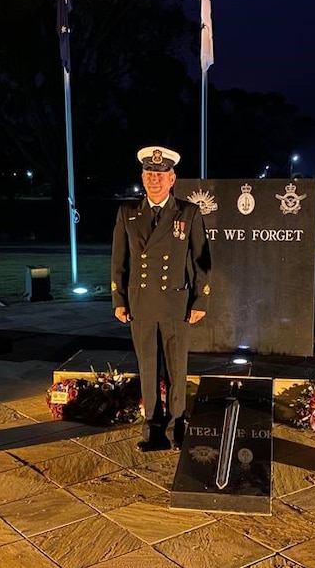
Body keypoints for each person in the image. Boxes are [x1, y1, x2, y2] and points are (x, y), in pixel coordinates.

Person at [111, 146, 211, 452]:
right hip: (140, 304)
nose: (154, 180)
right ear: (142, 177)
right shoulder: (128, 213)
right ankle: (152, 430)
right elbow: (119, 261)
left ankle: (175, 427)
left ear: (172, 179)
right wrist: (118, 298)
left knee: (176, 368)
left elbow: (202, 260)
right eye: (149, 175)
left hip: (176, 304)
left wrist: (201, 301)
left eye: (160, 175)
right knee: (148, 368)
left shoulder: (188, 212)